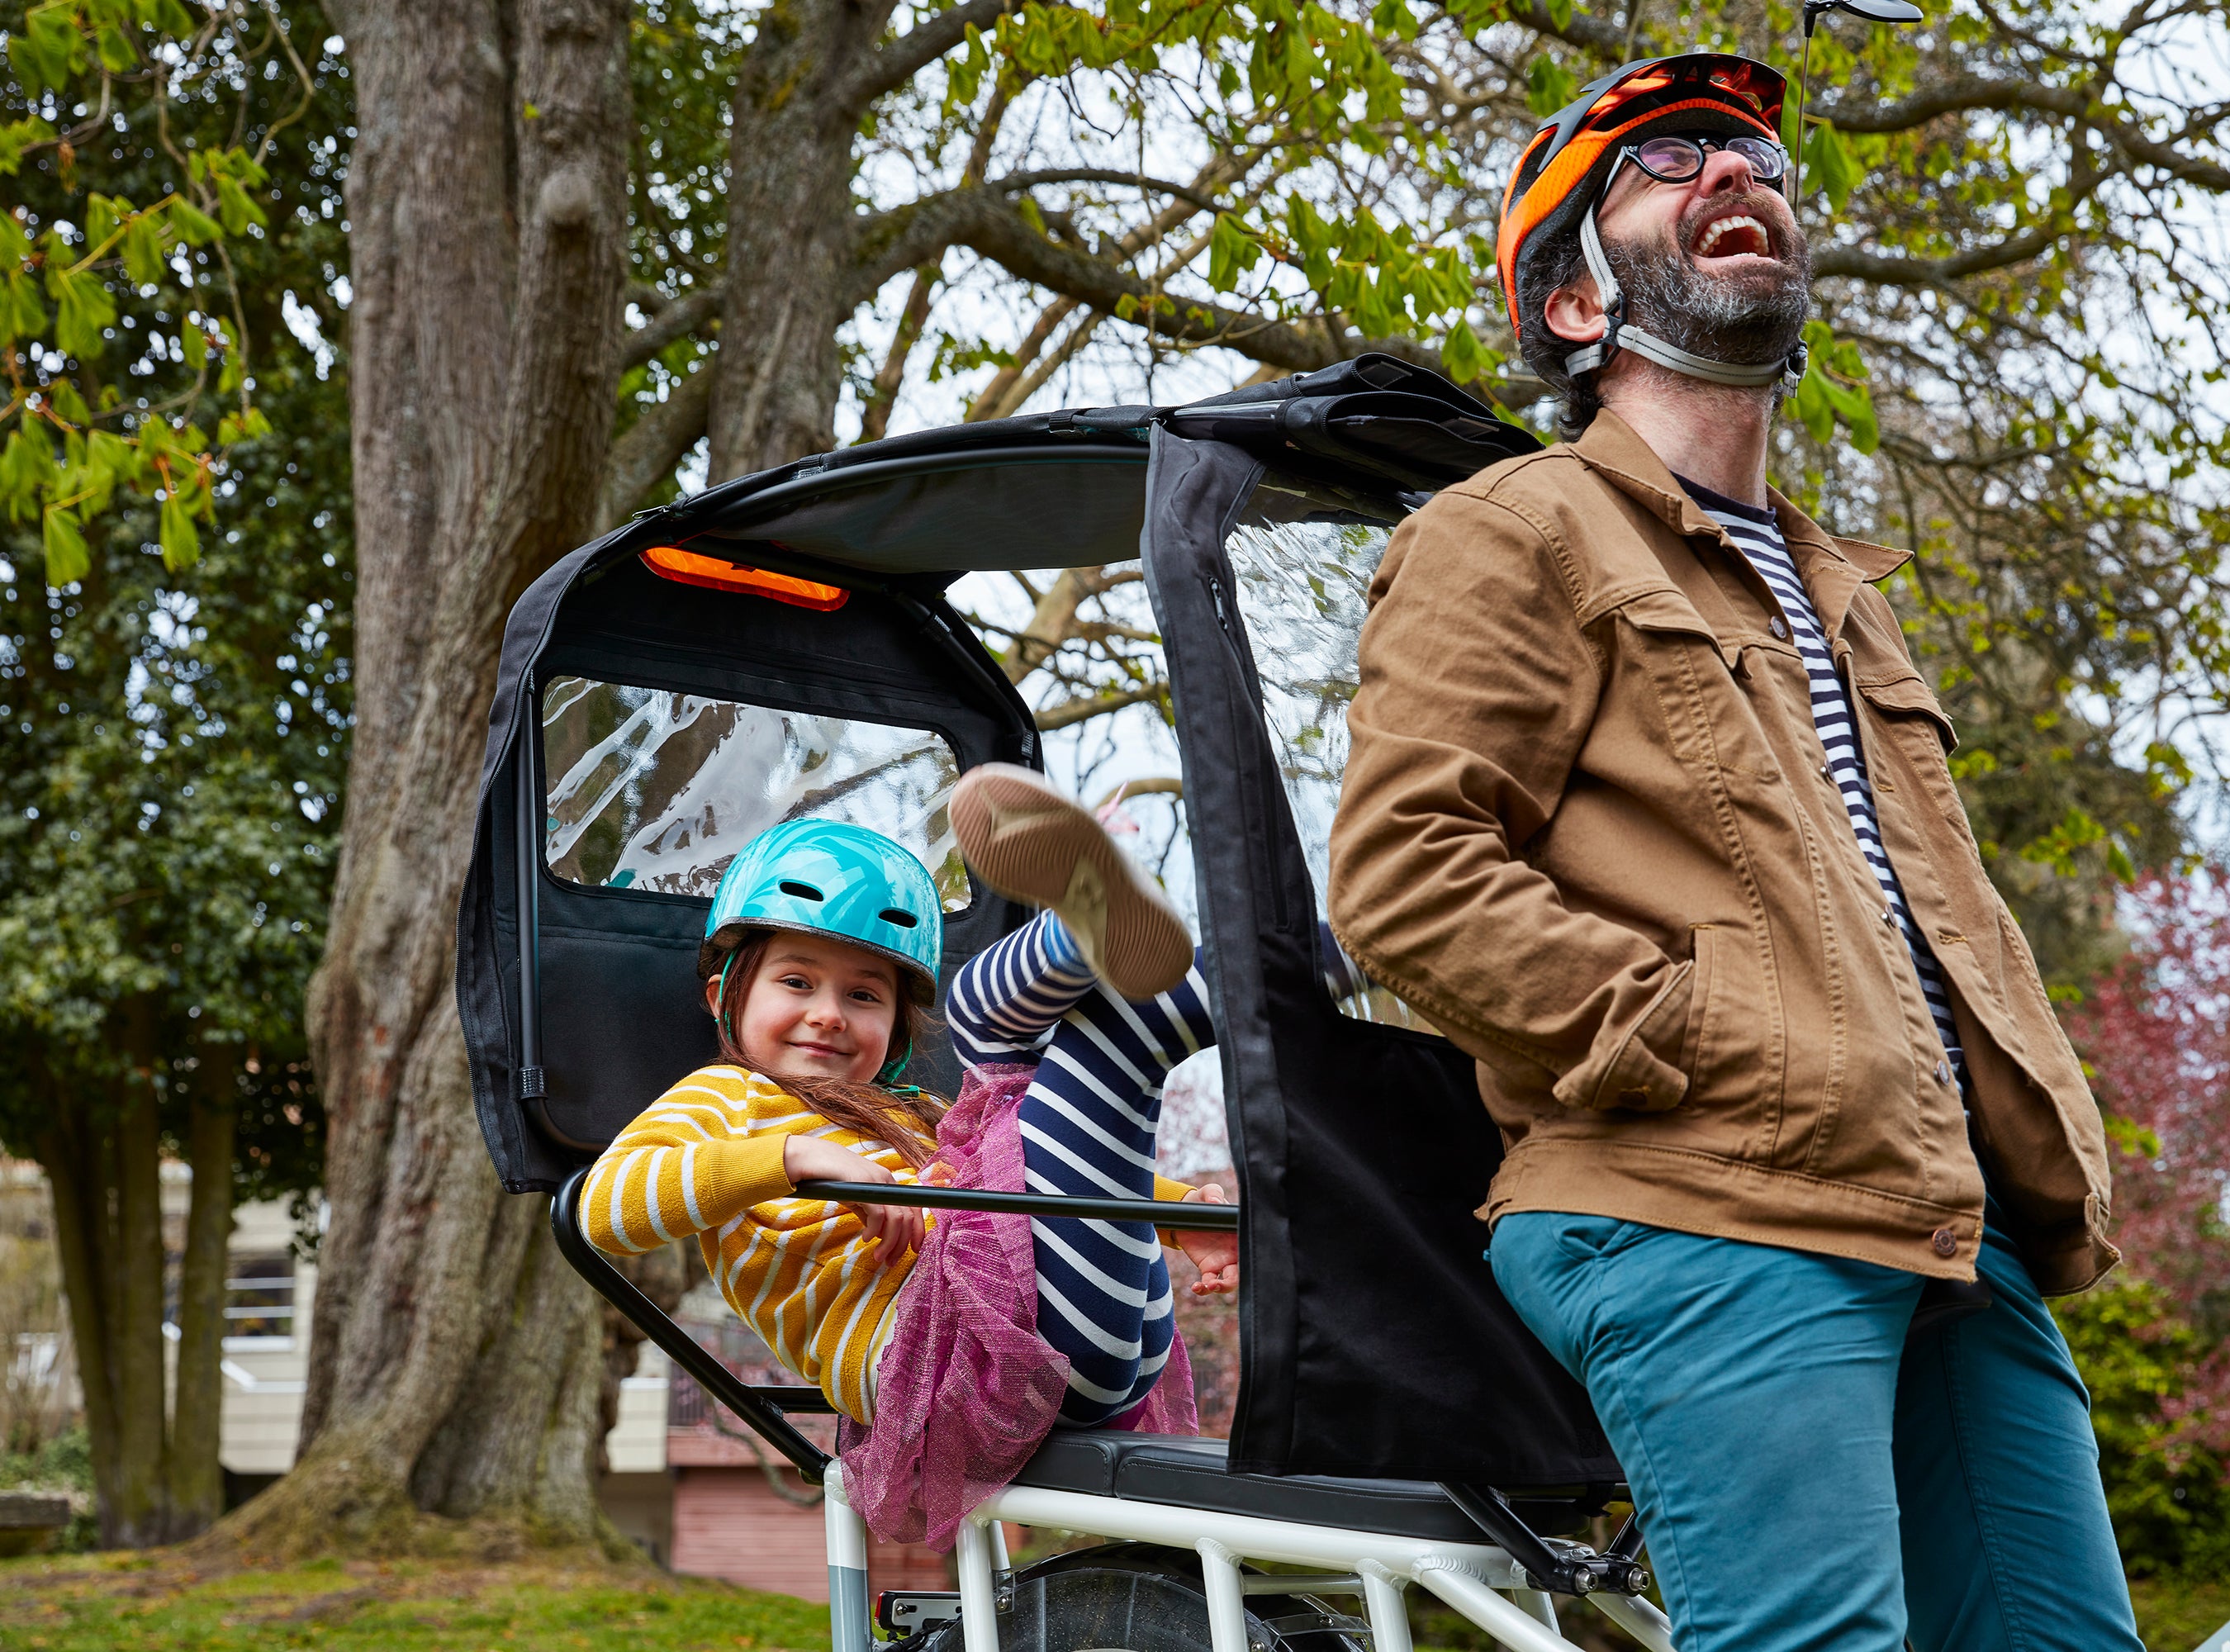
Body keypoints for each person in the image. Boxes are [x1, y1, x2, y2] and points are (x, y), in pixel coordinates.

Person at [1326, 52, 2142, 1652]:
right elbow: (1405, 875)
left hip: (1944, 1219)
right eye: (1671, 159)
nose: (1736, 170)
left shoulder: (1838, 590)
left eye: (1759, 157)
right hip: (1703, 1198)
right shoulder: (1515, 526)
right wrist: (1700, 1036)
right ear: (1573, 305)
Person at [581, 767, 1237, 1544]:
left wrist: (1174, 1216)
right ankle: (1173, 947)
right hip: (956, 1374)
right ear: (724, 995)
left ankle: (1260, 953)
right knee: (1055, 1042)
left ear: (892, 1030)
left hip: (1097, 1340)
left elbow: (1035, 1169)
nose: (827, 1015)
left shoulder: (913, 1116)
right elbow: (604, 1209)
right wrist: (793, 1158)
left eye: (864, 996)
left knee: (1033, 1055)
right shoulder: (726, 1099)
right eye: (796, 981)